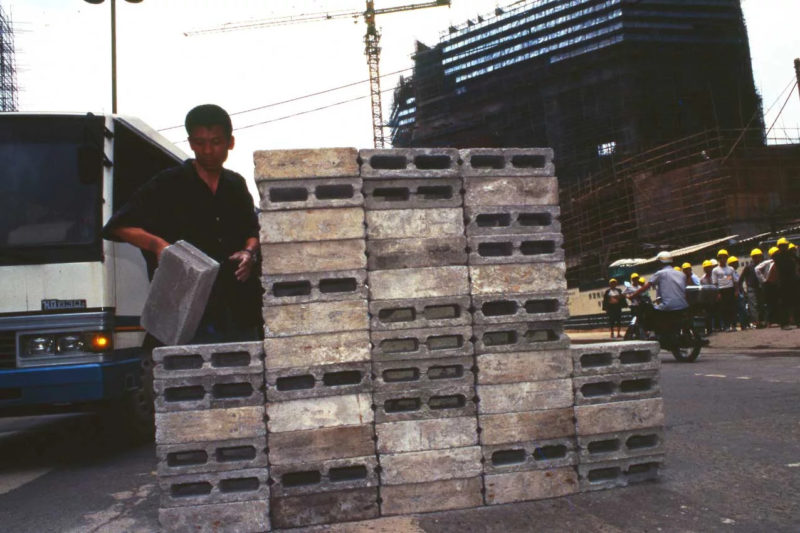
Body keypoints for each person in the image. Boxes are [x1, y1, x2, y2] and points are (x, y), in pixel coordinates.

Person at [102, 104, 263, 343]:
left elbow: (253, 229)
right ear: (190, 143)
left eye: (216, 142)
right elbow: (118, 226)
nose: (208, 150)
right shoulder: (168, 183)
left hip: (236, 309)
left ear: (231, 142)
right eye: (199, 143)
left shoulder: (235, 184)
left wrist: (248, 253)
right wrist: (160, 246)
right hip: (183, 311)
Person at [629, 251, 688, 337]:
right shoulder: (681, 274)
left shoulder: (660, 273)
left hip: (668, 306)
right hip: (683, 305)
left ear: (660, 262)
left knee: (649, 312)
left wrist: (632, 295)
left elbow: (646, 287)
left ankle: (653, 334)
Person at [773, 237, 799, 329]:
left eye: (785, 245)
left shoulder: (791, 255)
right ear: (779, 247)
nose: (784, 247)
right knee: (784, 303)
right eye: (782, 246)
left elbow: (798, 263)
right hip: (782, 282)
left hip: (794, 281)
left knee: (797, 302)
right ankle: (784, 323)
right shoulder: (777, 256)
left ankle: (798, 321)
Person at [738, 248, 765, 328]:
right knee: (753, 306)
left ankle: (762, 321)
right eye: (755, 257)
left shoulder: (762, 266)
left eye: (759, 256)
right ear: (753, 258)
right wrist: (742, 291)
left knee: (761, 305)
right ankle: (757, 323)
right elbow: (741, 280)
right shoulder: (749, 267)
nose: (758, 258)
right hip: (751, 289)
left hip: (760, 288)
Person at [712, 249, 738, 331]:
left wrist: (736, 290)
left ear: (726, 258)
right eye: (721, 258)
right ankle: (726, 326)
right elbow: (715, 283)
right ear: (718, 259)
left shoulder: (730, 269)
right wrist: (717, 293)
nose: (722, 259)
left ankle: (733, 325)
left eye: (724, 257)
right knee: (724, 309)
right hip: (721, 291)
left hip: (730, 290)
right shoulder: (715, 270)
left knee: (732, 308)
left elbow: (734, 280)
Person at [756, 247, 779, 326]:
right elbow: (757, 269)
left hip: (776, 284)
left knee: (777, 302)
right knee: (769, 303)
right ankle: (769, 321)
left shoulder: (779, 262)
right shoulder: (768, 262)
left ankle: (776, 320)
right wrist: (763, 279)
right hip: (768, 284)